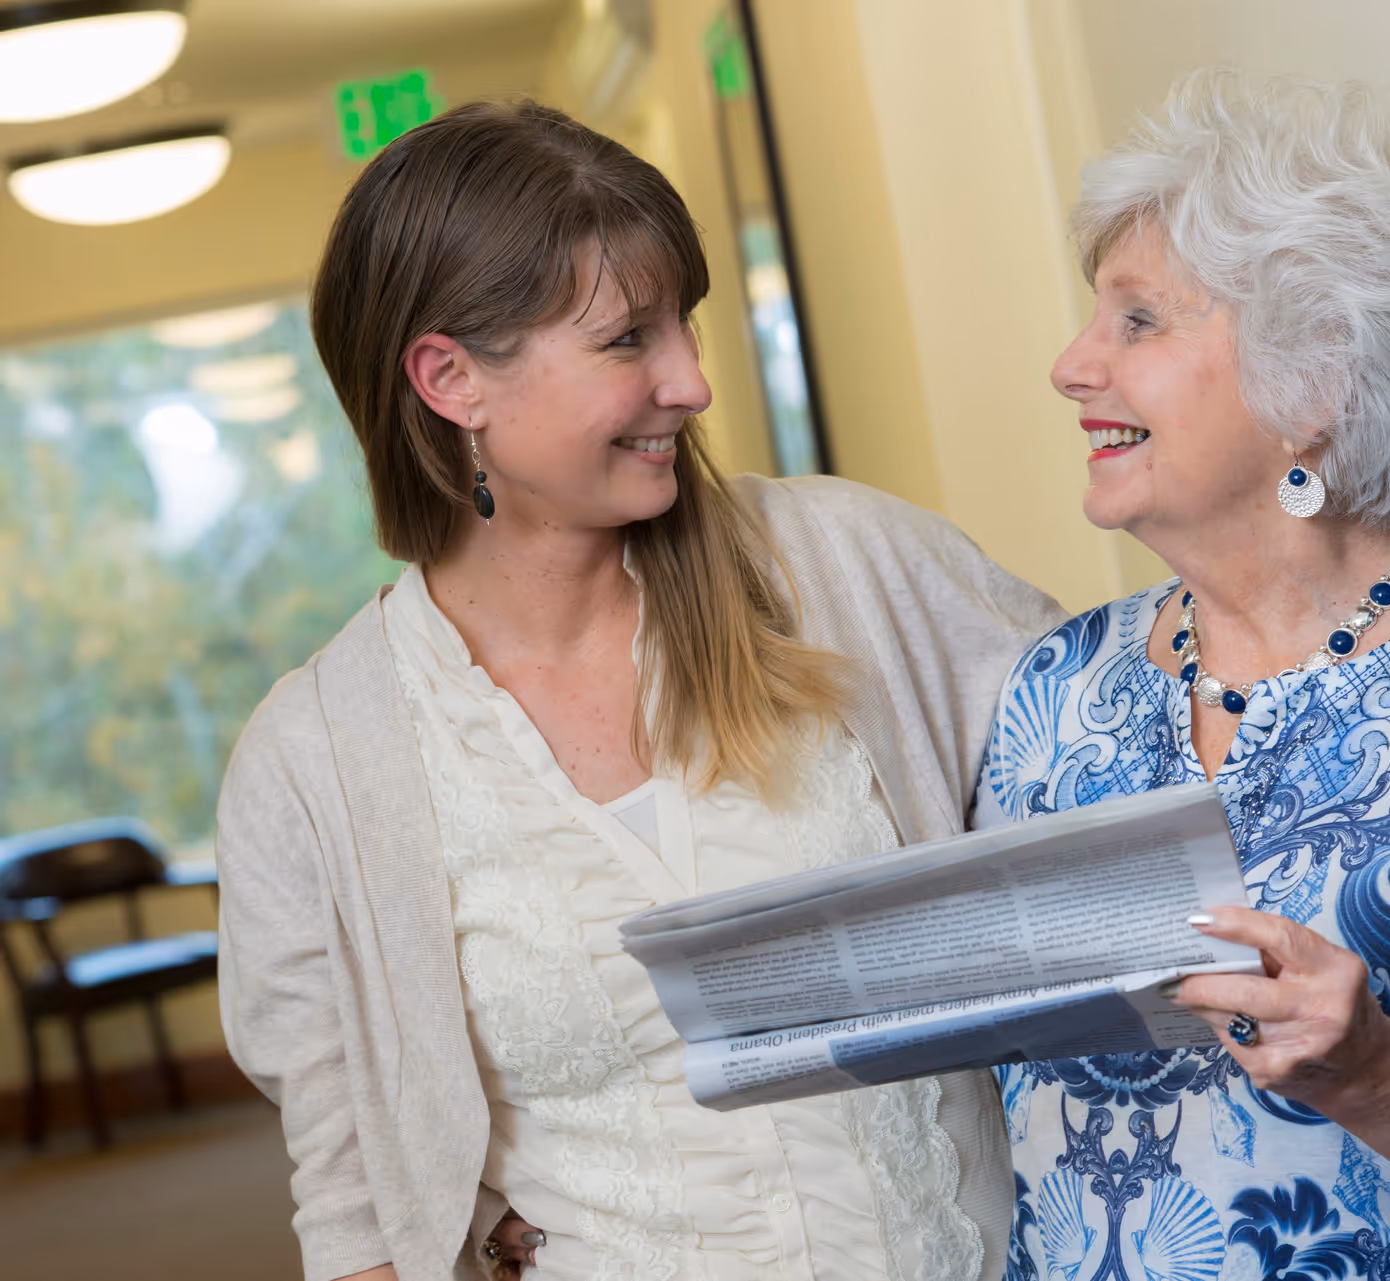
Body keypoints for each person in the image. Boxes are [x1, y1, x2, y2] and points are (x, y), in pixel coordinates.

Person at [214, 100, 1067, 1281]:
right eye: (629, 340)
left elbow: (1119, 776)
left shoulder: (848, 565)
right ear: (451, 378)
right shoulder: (313, 765)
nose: (693, 383)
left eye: (689, 326)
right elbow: (359, 1202)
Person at [975, 72, 1390, 1281]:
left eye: (1139, 321)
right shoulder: (1055, 690)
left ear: (1318, 384)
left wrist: (1379, 1074)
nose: (1071, 365)